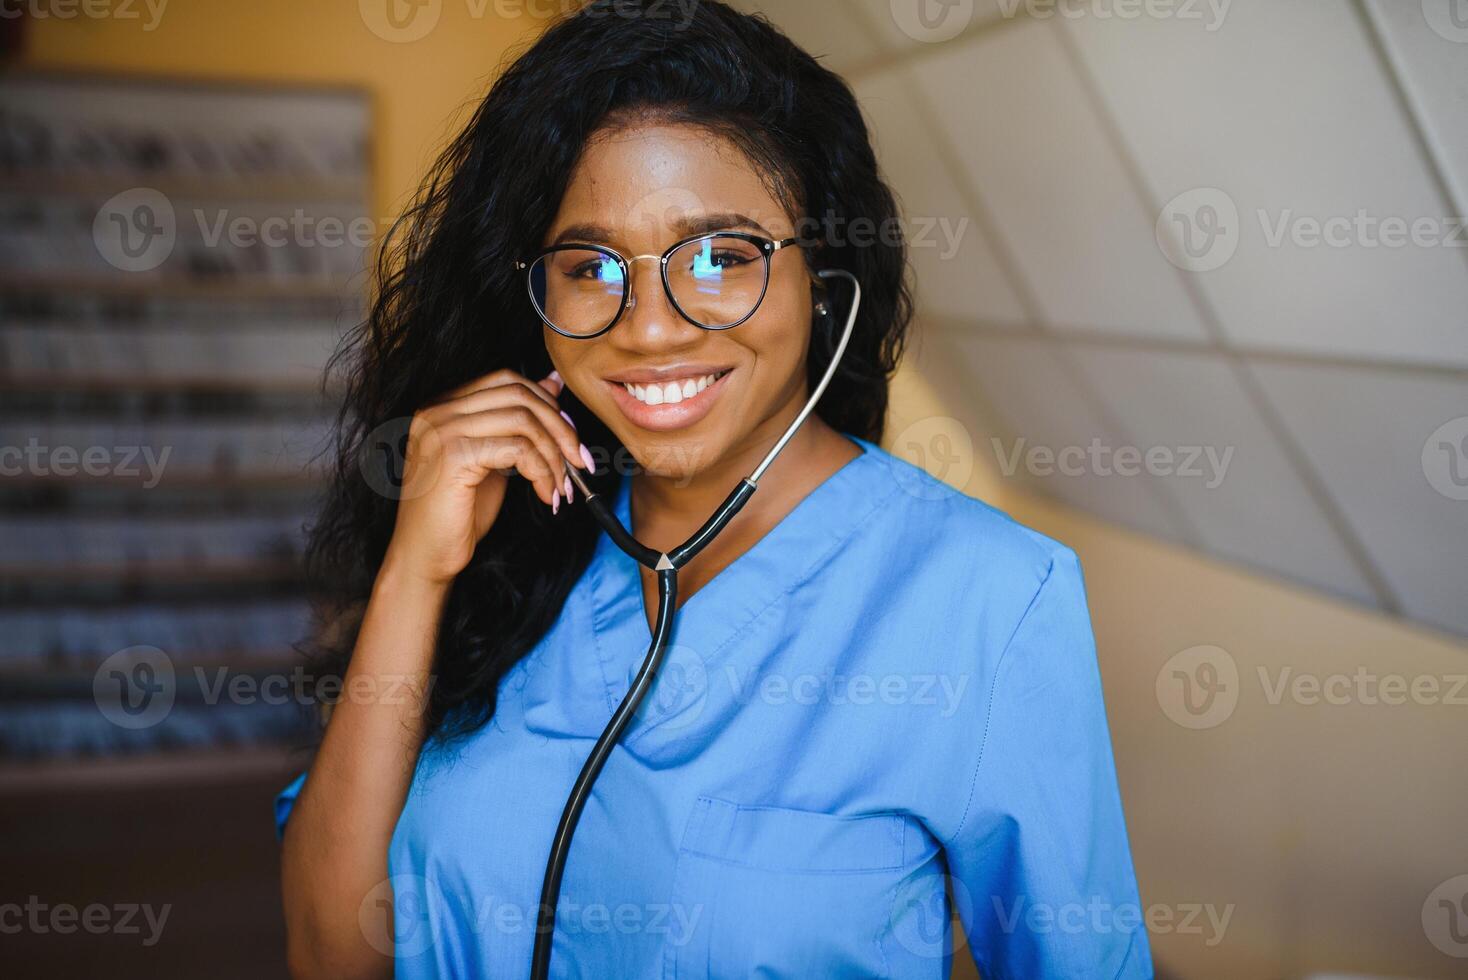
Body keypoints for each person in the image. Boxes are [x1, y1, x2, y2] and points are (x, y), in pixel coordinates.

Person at [277, 2, 1151, 977]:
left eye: (720, 257)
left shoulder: (986, 598)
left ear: (820, 273)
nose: (649, 327)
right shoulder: (502, 551)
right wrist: (414, 571)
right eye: (590, 265)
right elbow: (329, 952)